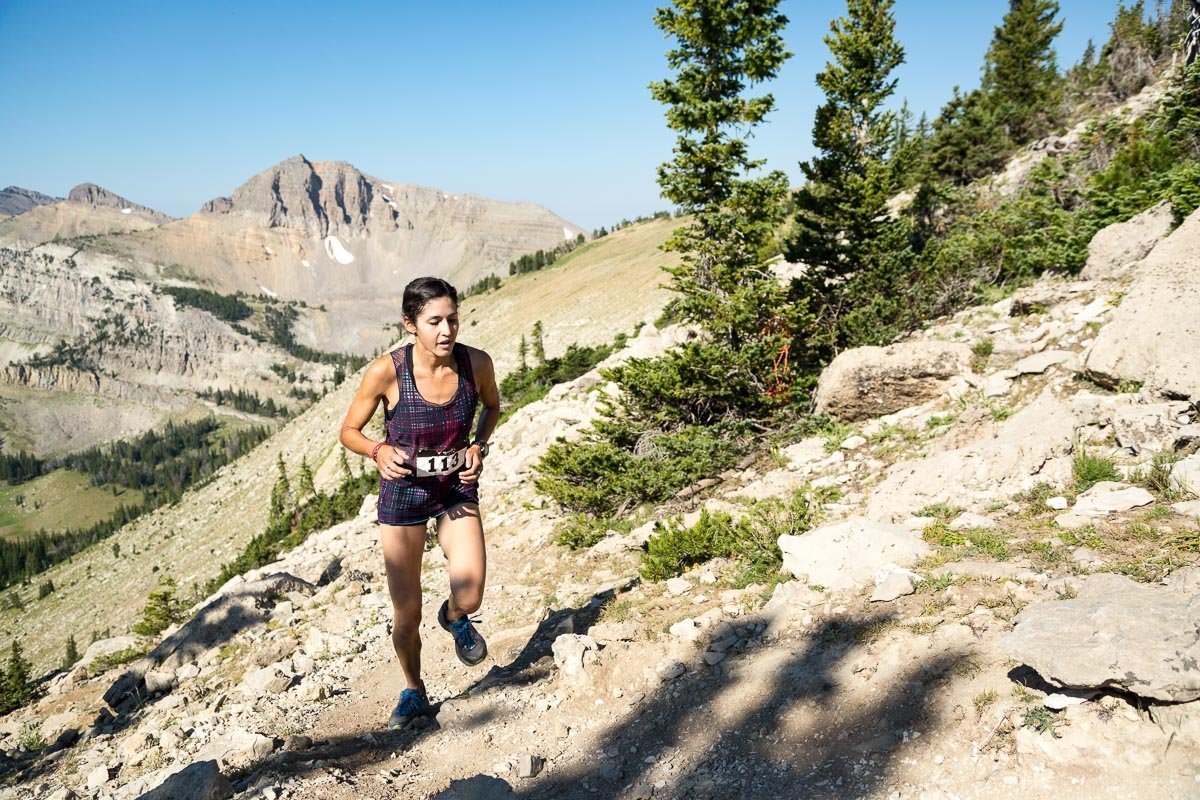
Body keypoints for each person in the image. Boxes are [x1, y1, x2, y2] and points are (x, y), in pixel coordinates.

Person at [338, 276, 500, 730]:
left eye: (453, 319)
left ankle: (453, 618)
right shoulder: (385, 371)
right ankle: (414, 690)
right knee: (406, 615)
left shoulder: (476, 363)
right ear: (410, 324)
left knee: (470, 594)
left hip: (455, 488)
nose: (446, 330)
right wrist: (377, 450)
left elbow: (492, 408)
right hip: (403, 495)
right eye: (434, 321)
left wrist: (478, 448)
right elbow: (348, 431)